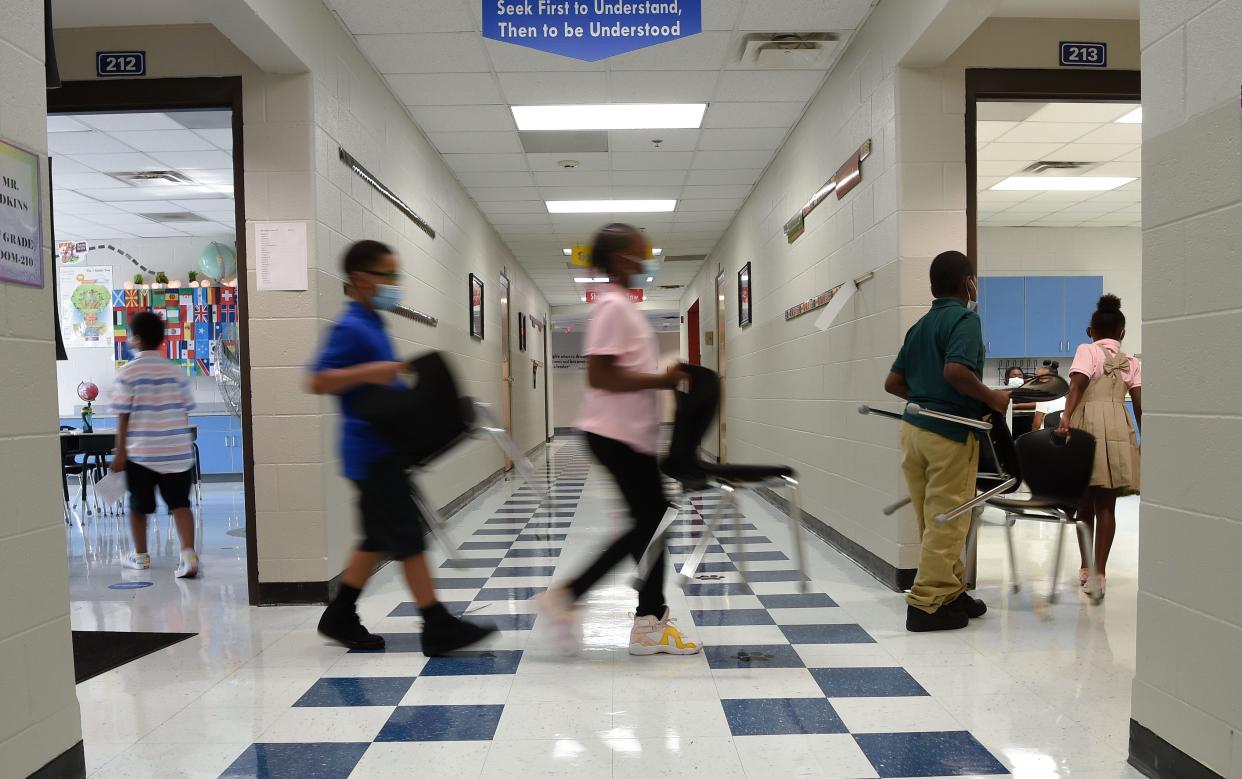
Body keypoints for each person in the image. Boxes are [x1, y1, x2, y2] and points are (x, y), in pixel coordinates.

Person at [309, 239, 495, 655]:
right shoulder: (351, 327)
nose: (395, 284)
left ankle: (340, 614)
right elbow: (316, 379)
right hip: (371, 453)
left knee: (376, 536)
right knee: (409, 538)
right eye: (388, 276)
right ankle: (436, 625)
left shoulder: (373, 323)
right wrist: (377, 370)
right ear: (360, 279)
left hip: (382, 448)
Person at [536, 223, 699, 656]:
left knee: (652, 524)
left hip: (628, 437)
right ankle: (593, 602)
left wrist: (661, 379)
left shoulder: (621, 306)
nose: (645, 258)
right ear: (621, 258)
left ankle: (646, 620)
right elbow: (600, 374)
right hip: (616, 435)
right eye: (636, 251)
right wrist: (661, 379)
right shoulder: (611, 306)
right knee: (652, 524)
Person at [884, 250, 1011, 632]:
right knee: (950, 520)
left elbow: (893, 383)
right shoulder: (965, 320)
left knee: (934, 519)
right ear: (968, 282)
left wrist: (926, 395)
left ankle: (951, 592)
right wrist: (993, 398)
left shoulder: (920, 326)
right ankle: (926, 605)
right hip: (949, 432)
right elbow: (956, 370)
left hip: (914, 430)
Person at [1055, 294, 1141, 597]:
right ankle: (1100, 573)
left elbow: (1076, 386)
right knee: (1107, 503)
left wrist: (1065, 418)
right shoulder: (1132, 362)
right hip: (1118, 425)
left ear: (1090, 330)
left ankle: (1086, 565)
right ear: (1122, 333)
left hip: (1086, 426)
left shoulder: (1086, 350)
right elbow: (1141, 406)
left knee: (1084, 503)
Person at [110, 310, 200, 579]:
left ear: (136, 339)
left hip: (142, 454)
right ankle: (188, 555)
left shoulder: (127, 372)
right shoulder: (175, 372)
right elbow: (184, 411)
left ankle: (140, 556)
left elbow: (123, 414)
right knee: (180, 504)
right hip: (177, 452)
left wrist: (120, 451)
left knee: (139, 507)